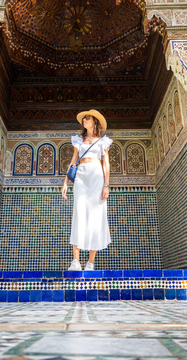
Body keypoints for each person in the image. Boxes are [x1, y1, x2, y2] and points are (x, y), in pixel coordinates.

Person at [62, 109, 112, 270]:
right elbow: (73, 162)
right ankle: (75, 261)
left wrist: (106, 185)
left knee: (96, 218)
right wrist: (65, 183)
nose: (84, 120)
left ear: (95, 121)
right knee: (79, 214)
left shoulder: (103, 141)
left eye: (87, 118)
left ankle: (90, 262)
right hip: (81, 178)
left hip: (97, 178)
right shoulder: (79, 140)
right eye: (83, 118)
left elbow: (106, 164)